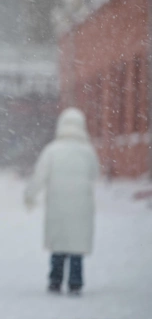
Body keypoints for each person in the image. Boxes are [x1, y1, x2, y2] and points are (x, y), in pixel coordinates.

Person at [24, 108, 99, 295]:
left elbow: (39, 176)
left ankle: (55, 281)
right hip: (81, 207)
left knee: (58, 244)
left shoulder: (52, 150)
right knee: (76, 245)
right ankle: (75, 282)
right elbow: (95, 174)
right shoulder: (88, 151)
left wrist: (29, 196)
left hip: (57, 206)